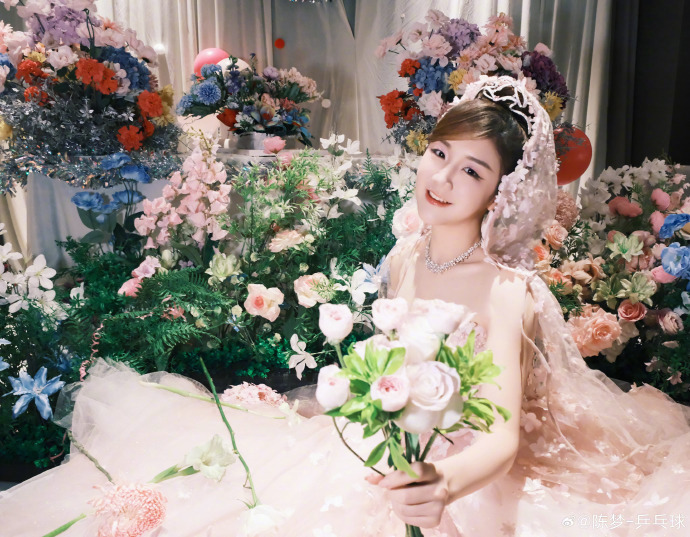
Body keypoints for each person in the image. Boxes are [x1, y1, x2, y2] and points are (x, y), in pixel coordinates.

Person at [2, 76, 689, 537]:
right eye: (440, 153)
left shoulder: (506, 287)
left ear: (501, 193)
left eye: (472, 170)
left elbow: (503, 437)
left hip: (469, 468)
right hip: (393, 434)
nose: (442, 177)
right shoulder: (407, 252)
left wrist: (443, 481)